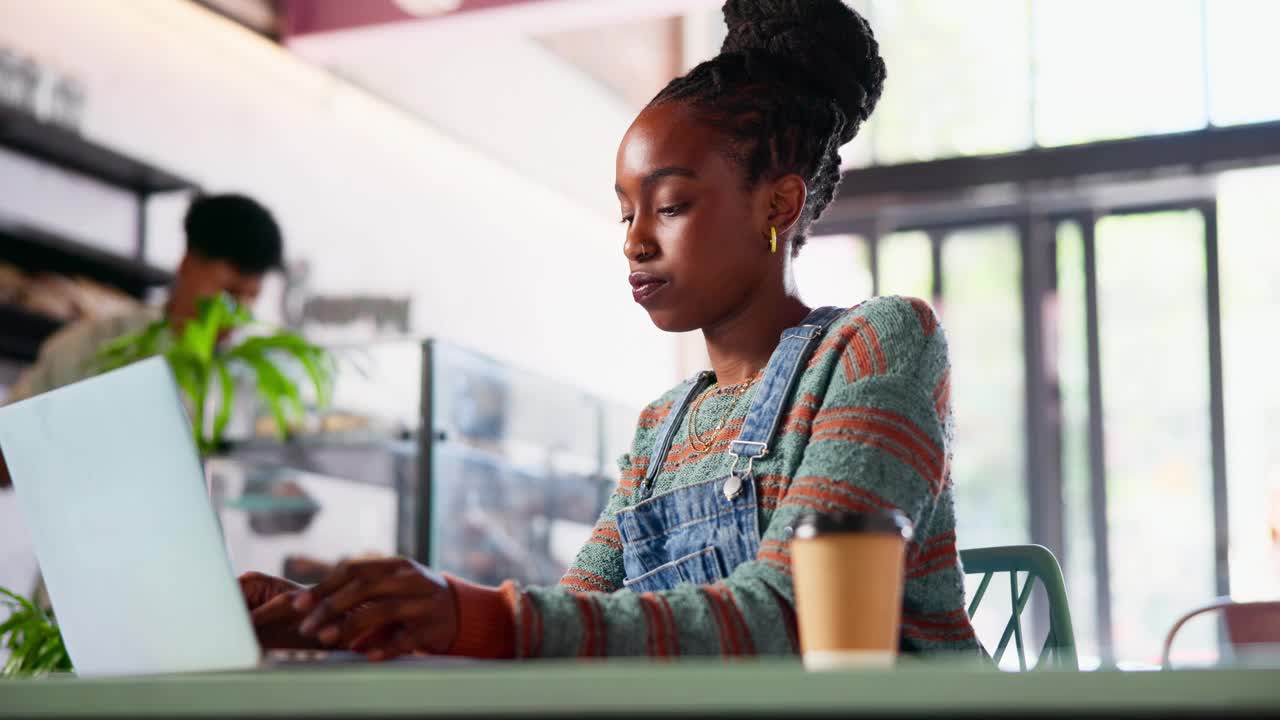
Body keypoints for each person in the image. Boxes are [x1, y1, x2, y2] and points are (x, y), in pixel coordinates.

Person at [243, 0, 981, 660]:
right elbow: (583, 619)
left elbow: (799, 619)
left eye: (671, 205)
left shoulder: (878, 346)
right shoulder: (665, 426)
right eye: (627, 212)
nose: (634, 242)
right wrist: (336, 618)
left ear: (778, 206)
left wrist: (466, 613)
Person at [0, 193, 284, 489]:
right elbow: (4, 455)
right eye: (228, 291)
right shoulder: (94, 345)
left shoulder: (251, 378)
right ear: (187, 264)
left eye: (251, 297)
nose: (236, 312)